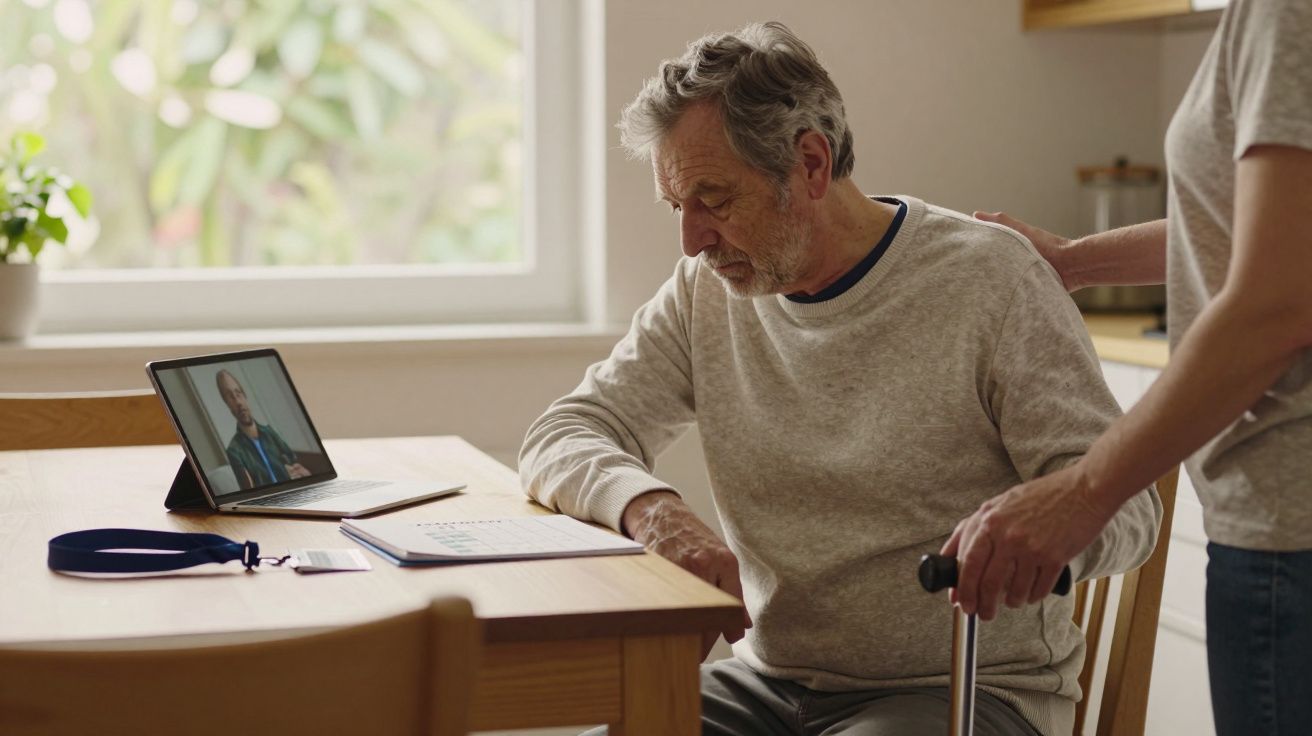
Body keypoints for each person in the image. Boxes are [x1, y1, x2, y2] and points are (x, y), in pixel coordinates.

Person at [518, 22, 1161, 736]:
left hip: (964, 691)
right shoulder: (705, 293)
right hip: (766, 683)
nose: (692, 240)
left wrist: (1044, 530)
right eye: (678, 206)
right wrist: (651, 510)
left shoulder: (991, 280)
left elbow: (1129, 510)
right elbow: (564, 432)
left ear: (811, 164)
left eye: (715, 200)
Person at [944, 2, 1312, 733]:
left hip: (1293, 530)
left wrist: (1081, 492)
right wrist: (1074, 261)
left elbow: (1276, 303)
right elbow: (1253, 224)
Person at [215, 369, 311, 489]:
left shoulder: (269, 432)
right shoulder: (234, 451)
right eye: (230, 397)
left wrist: (302, 473)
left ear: (245, 396)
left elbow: (293, 461)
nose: (238, 402)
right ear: (227, 404)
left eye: (238, 393)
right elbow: (248, 489)